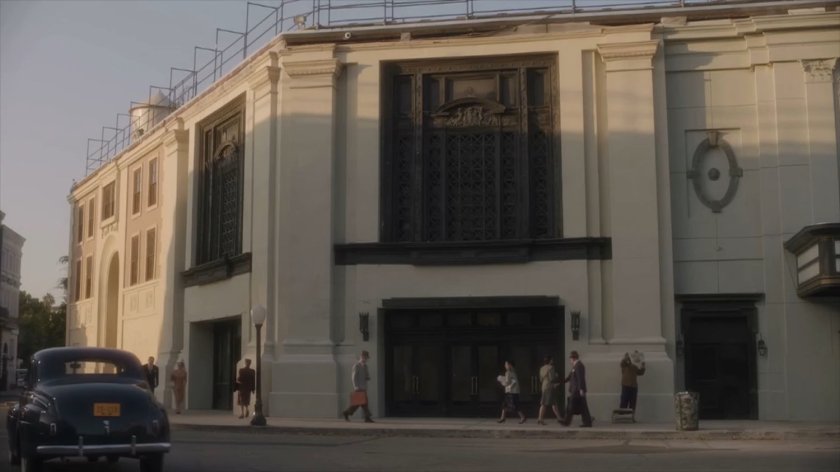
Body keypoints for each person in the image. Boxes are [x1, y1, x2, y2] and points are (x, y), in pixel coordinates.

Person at [561, 350, 593, 427]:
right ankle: (587, 422)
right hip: (576, 390)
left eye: (570, 358)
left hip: (577, 390)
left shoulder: (579, 366)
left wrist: (581, 389)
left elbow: (580, 378)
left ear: (574, 358)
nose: (570, 360)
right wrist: (560, 382)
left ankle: (566, 421)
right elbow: (569, 377)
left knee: (571, 406)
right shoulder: (575, 366)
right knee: (583, 407)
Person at [343, 350, 374, 423]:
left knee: (361, 404)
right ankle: (366, 417)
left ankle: (347, 413)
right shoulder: (356, 366)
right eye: (365, 357)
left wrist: (367, 377)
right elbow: (353, 377)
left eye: (367, 358)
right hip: (358, 388)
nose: (366, 359)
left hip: (364, 387)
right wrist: (355, 386)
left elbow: (366, 375)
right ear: (361, 357)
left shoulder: (365, 366)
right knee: (361, 403)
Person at [537, 356, 562, 425]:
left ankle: (559, 418)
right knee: (545, 403)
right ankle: (540, 418)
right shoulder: (551, 367)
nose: (552, 361)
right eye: (552, 360)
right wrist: (556, 375)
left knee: (553, 402)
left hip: (544, 386)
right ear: (550, 360)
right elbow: (552, 378)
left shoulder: (542, 368)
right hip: (550, 386)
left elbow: (541, 379)